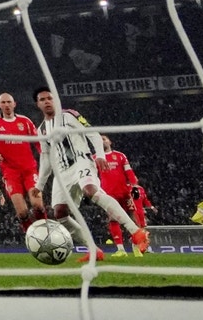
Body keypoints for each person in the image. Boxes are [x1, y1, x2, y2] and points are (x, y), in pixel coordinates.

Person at [29, 87, 149, 262]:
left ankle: (137, 232)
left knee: (90, 190)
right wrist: (39, 185)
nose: (47, 101)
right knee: (60, 213)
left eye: (50, 98)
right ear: (38, 104)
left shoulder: (69, 115)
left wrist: (100, 155)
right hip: (62, 172)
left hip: (81, 161)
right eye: (43, 99)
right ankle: (94, 250)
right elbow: (46, 157)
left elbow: (92, 133)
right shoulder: (41, 130)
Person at [0, 92, 46, 232]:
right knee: (22, 212)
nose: (6, 105)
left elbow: (37, 142)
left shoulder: (25, 121)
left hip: (30, 169)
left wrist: (44, 154)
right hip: (10, 172)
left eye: (9, 102)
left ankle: (45, 232)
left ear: (14, 104)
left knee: (37, 205)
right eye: (3, 102)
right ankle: (31, 235)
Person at [98, 135, 142, 257]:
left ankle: (136, 246)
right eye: (100, 139)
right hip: (108, 193)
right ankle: (121, 249)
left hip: (124, 191)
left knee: (133, 216)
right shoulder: (96, 158)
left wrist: (134, 186)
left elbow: (129, 172)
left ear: (110, 142)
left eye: (104, 139)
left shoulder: (120, 155)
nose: (102, 141)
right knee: (112, 218)